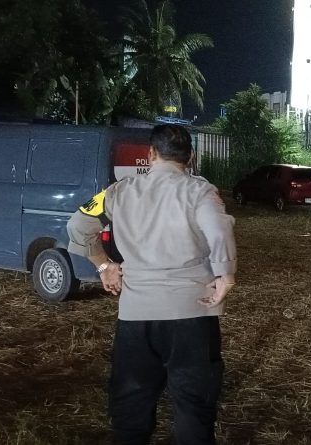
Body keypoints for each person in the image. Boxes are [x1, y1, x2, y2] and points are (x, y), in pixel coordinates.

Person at [67, 124, 237, 445]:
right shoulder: (201, 192)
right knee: (194, 406)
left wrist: (104, 265)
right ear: (191, 157)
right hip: (193, 315)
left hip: (136, 315)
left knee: (131, 404)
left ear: (151, 154)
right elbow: (218, 229)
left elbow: (78, 224)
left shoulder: (118, 192)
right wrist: (225, 275)